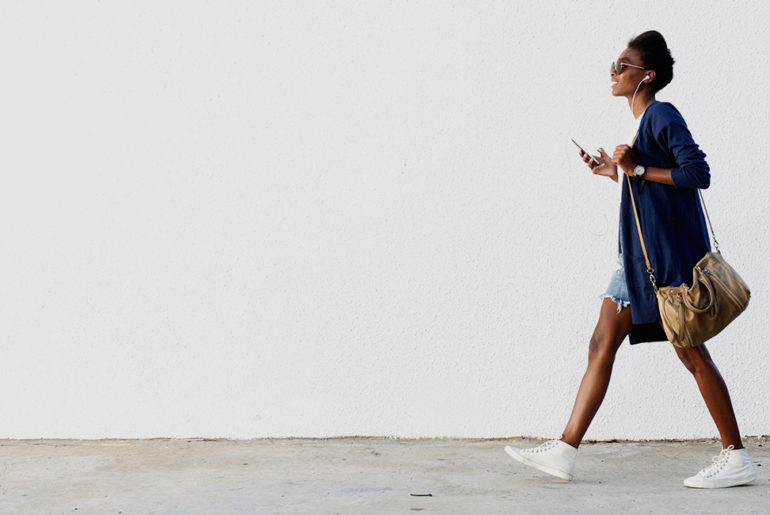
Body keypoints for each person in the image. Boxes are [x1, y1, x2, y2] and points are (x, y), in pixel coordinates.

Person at [503, 31, 756, 489]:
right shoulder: (644, 126)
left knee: (692, 354)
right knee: (601, 344)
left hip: (664, 264)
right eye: (614, 65)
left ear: (648, 75)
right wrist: (616, 172)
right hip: (636, 263)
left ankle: (736, 456)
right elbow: (650, 187)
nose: (614, 72)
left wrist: (637, 168)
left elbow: (697, 173)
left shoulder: (661, 114)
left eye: (623, 64)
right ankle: (565, 449)